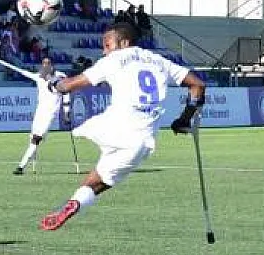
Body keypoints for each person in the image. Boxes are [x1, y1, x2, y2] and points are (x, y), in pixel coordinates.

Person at [39, 23, 206, 230]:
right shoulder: (160, 60)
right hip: (142, 140)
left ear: (124, 42)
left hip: (113, 126)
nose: (104, 50)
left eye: (107, 45)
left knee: (95, 173)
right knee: (102, 182)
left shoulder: (113, 60)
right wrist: (184, 119)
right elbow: (198, 85)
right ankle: (74, 204)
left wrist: (51, 81)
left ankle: (73, 203)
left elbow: (67, 87)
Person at [13, 58, 70, 176]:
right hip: (39, 112)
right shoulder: (38, 76)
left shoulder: (60, 76)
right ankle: (28, 163)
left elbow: (66, 92)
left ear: (52, 65)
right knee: (32, 137)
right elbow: (27, 74)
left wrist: (66, 112)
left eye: (48, 64)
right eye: (43, 64)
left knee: (36, 138)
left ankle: (21, 166)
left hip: (50, 113)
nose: (45, 66)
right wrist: (19, 70)